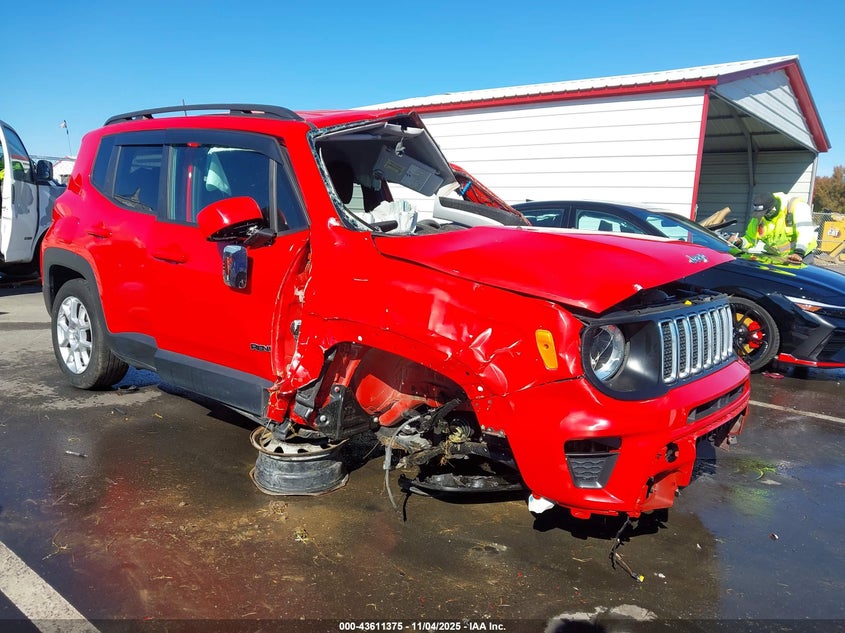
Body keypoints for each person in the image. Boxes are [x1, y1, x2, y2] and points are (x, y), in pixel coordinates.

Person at [731, 192, 818, 264]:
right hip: (777, 259)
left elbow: (805, 232)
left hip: (800, 258)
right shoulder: (758, 217)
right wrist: (739, 241)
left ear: (773, 209)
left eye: (764, 213)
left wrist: (799, 253)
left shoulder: (796, 207)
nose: (761, 216)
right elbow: (750, 239)